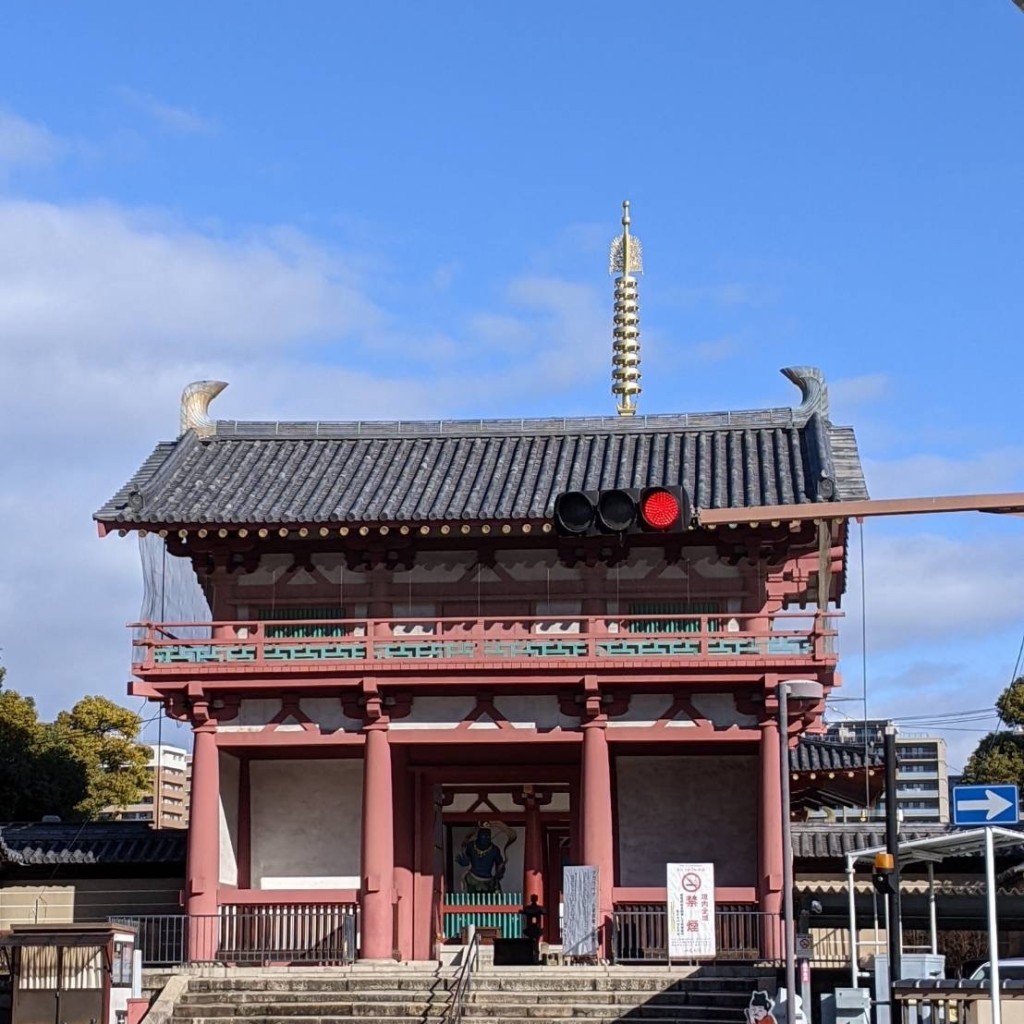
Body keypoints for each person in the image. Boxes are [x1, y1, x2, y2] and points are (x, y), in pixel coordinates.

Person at [456, 826, 506, 893]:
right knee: (472, 901)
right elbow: (466, 861)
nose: (486, 838)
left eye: (488, 836)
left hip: (488, 881)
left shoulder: (494, 849)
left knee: (489, 901)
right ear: (478, 836)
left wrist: (500, 870)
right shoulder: (471, 846)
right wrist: (463, 860)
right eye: (483, 836)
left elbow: (499, 864)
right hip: (472, 879)